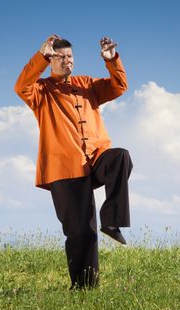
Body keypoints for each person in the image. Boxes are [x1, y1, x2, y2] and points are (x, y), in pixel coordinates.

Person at [14, 34, 133, 289]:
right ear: (51, 60)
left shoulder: (88, 84)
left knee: (120, 157)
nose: (67, 61)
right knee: (81, 231)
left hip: (97, 157)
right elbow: (21, 86)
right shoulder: (41, 91)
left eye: (70, 56)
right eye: (61, 57)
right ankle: (84, 288)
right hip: (65, 169)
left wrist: (111, 60)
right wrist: (41, 56)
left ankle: (111, 221)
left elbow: (119, 86)